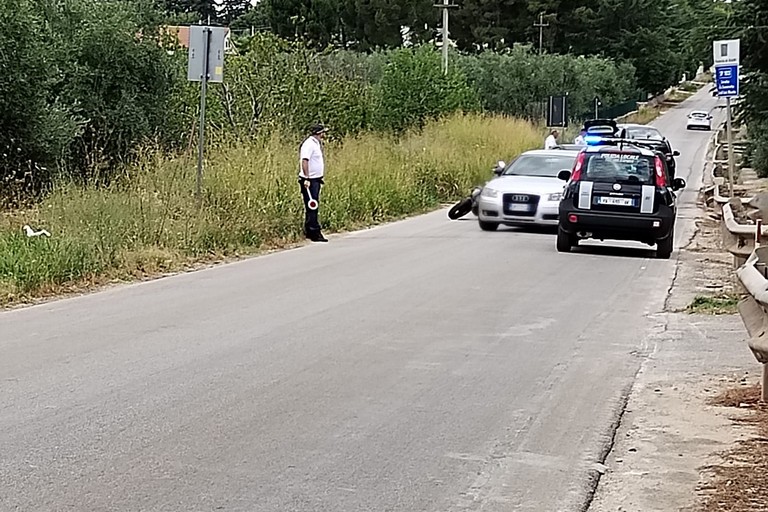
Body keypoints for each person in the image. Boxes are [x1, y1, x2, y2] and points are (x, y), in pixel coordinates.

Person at [298, 124, 329, 242]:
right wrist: (306, 178)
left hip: (315, 179)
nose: (324, 135)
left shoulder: (316, 144)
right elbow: (305, 160)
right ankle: (314, 232)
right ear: (318, 133)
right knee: (312, 205)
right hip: (309, 180)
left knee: (313, 205)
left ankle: (310, 230)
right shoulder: (309, 144)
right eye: (322, 133)